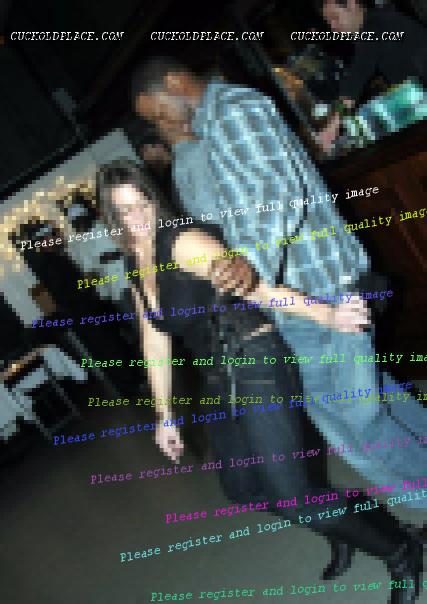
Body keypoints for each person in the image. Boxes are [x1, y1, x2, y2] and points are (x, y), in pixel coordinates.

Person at [97, 158, 422, 603]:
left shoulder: (183, 241)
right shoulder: (135, 263)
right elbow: (155, 342)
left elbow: (255, 285)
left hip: (257, 363)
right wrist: (164, 415)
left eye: (142, 203)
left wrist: (326, 314)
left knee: (294, 495)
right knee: (243, 489)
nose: (138, 216)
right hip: (219, 378)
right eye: (124, 210)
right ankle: (346, 527)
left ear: (155, 199)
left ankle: (401, 549)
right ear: (112, 218)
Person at [315, 0, 427, 151]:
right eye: (329, 22)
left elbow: (356, 76)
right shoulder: (378, 22)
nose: (333, 27)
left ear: (352, 4)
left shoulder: (375, 26)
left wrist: (333, 125)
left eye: (335, 17)